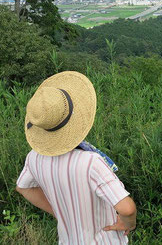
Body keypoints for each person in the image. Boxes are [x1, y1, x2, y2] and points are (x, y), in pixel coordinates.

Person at [16, 71, 137, 244]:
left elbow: (23, 187)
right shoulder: (90, 163)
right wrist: (128, 224)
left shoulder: (34, 158)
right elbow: (127, 209)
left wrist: (58, 212)